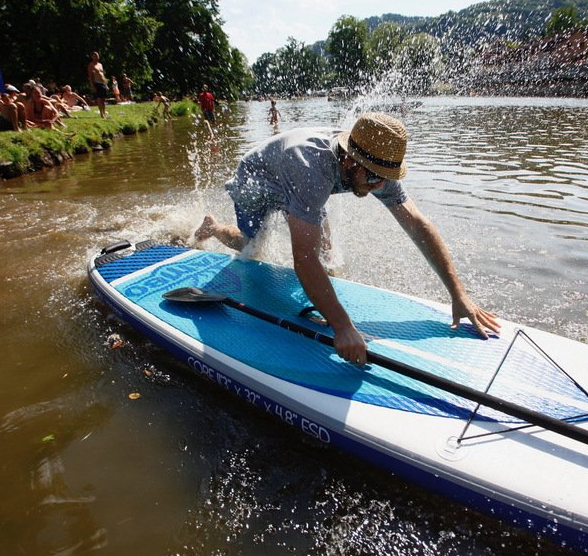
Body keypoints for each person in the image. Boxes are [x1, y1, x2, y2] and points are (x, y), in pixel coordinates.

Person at [194, 112, 501, 366]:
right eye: (372, 179)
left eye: (384, 178)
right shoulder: (310, 169)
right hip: (256, 181)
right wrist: (342, 326)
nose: (379, 186)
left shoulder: (376, 164)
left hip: (303, 182)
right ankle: (214, 227)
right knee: (250, 246)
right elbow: (302, 258)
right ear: (350, 162)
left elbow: (418, 225)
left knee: (324, 249)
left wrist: (457, 293)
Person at [87, 51, 109, 118]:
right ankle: (101, 114)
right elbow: (90, 76)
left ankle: (104, 112)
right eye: (95, 56)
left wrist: (106, 84)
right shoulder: (91, 65)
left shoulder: (100, 64)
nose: (96, 57)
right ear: (92, 57)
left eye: (97, 55)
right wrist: (92, 86)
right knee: (99, 99)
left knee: (103, 99)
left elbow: (102, 75)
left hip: (103, 83)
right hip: (97, 83)